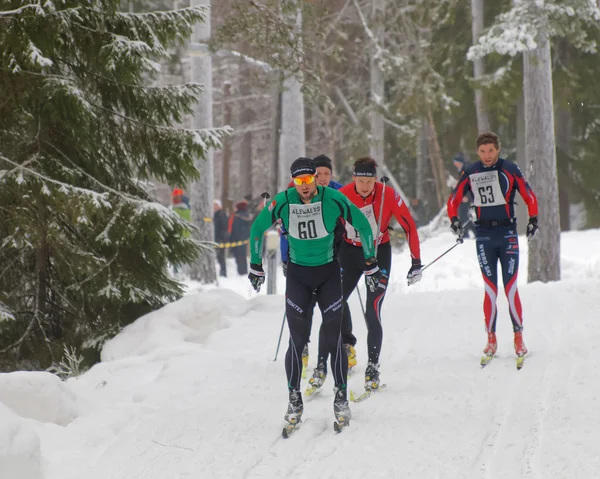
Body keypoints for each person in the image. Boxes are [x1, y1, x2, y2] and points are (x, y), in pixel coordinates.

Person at [248, 157, 383, 430]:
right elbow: (256, 229)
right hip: (298, 277)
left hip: (329, 276)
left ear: (315, 179)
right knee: (297, 341)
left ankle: (341, 397)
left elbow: (364, 225)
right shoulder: (283, 202)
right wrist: (255, 265)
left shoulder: (332, 198)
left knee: (334, 340)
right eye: (299, 181)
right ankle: (294, 399)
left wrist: (370, 259)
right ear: (293, 182)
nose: (305, 186)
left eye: (309, 180)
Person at [308, 157, 423, 395]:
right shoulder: (343, 194)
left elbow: (409, 225)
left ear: (375, 180)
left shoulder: (388, 195)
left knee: (372, 310)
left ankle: (372, 368)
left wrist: (416, 261)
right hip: (348, 253)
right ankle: (321, 367)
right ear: (353, 179)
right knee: (332, 307)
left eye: (369, 182)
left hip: (378, 254)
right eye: (360, 181)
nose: (364, 187)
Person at [447, 132, 539, 361]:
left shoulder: (510, 168)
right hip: (484, 236)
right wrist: (454, 220)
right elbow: (454, 199)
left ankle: (519, 337)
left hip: (507, 234)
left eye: (491, 151)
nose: (487, 156)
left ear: (498, 149)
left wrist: (533, 219)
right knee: (490, 289)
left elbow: (529, 195)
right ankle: (491, 338)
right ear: (477, 152)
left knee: (510, 288)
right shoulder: (470, 171)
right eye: (482, 151)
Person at [279, 155, 344, 373]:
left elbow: (349, 219)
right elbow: (285, 232)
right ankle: (302, 344)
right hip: (301, 262)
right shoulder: (293, 193)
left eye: (327, 174)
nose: (323, 178)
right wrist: (285, 257)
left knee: (335, 307)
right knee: (304, 308)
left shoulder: (336, 192)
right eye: (320, 174)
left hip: (330, 256)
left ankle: (345, 343)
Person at [452, 153, 475, 237]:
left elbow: (468, 184)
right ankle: (466, 234)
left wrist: (467, 197)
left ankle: (470, 233)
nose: (455, 164)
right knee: (462, 216)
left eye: (456, 162)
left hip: (465, 197)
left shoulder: (465, 170)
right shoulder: (460, 170)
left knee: (463, 216)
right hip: (461, 196)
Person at [229, 200, 252, 275]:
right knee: (242, 256)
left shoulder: (238, 216)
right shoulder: (245, 215)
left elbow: (235, 228)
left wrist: (233, 238)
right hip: (242, 239)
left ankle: (242, 272)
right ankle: (243, 271)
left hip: (237, 239)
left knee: (239, 256)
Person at [213, 200, 228, 277]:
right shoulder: (214, 215)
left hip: (221, 239)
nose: (214, 207)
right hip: (215, 238)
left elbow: (224, 227)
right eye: (214, 206)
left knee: (221, 256)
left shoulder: (222, 214)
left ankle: (223, 272)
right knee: (218, 257)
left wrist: (222, 238)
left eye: (216, 205)